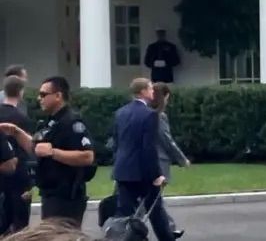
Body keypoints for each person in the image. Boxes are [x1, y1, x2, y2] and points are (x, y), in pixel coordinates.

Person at [0, 76, 95, 227]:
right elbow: (37, 148)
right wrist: (16, 132)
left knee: (62, 235)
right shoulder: (51, 122)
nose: (39, 98)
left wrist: (54, 152)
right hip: (50, 193)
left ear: (58, 96)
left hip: (66, 196)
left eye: (43, 94)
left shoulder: (71, 122)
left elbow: (87, 156)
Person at [111, 78, 173, 241]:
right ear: (143, 91)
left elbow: (117, 143)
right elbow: (148, 148)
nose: (153, 91)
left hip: (123, 170)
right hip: (142, 173)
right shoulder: (150, 115)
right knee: (156, 211)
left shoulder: (120, 113)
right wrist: (156, 175)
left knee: (125, 213)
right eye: (150, 88)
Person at [150, 83, 189, 239]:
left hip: (149, 160)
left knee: (153, 199)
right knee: (154, 200)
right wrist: (182, 159)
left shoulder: (146, 114)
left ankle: (169, 227)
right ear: (164, 97)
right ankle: (168, 228)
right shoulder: (160, 116)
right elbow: (167, 140)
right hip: (159, 161)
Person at [0, 76, 35, 234]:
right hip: (19, 175)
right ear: (21, 92)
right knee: (20, 223)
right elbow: (29, 148)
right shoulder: (21, 118)